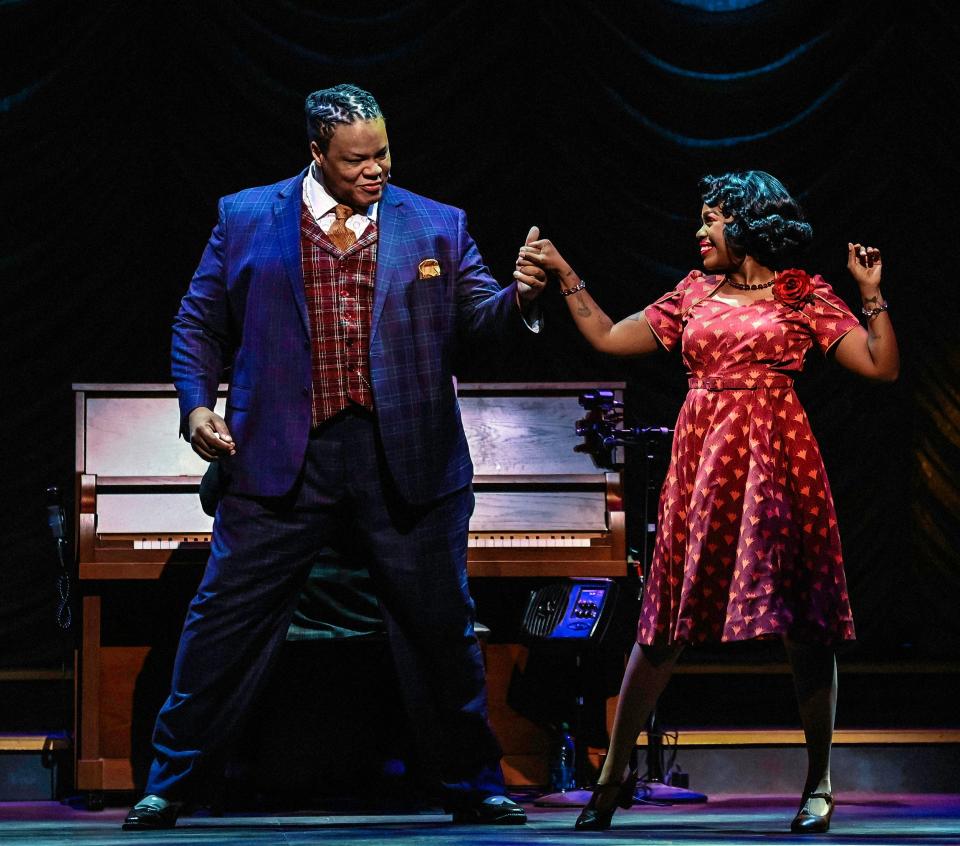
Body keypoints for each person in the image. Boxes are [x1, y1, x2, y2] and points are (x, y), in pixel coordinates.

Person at [123, 83, 548, 830]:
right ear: (316, 152)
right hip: (283, 455)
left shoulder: (438, 225)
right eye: (357, 160)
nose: (375, 170)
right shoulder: (247, 215)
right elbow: (197, 323)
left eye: (383, 153)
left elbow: (478, 321)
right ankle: (171, 781)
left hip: (406, 457)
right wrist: (196, 406)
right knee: (222, 622)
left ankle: (475, 782)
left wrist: (519, 298)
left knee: (441, 628)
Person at [518, 170, 899, 834]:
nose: (698, 231)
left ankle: (819, 783)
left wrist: (871, 297)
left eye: (711, 219)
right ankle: (610, 783)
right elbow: (610, 338)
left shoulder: (801, 293)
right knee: (663, 622)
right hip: (702, 465)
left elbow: (879, 366)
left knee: (805, 627)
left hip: (779, 464)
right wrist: (564, 271)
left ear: (746, 224)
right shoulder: (691, 295)